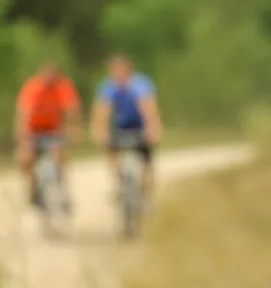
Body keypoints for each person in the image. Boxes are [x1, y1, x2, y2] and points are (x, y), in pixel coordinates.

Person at [91, 54, 163, 204]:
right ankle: (120, 183)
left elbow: (148, 108)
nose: (118, 75)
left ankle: (147, 195)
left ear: (128, 70)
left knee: (146, 161)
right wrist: (100, 131)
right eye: (114, 72)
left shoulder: (140, 84)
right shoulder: (108, 86)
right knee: (111, 150)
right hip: (120, 126)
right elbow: (102, 111)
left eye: (120, 71)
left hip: (140, 125)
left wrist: (152, 128)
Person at [15, 61, 82, 209]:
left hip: (54, 129)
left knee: (60, 155)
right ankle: (32, 190)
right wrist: (23, 140)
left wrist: (74, 129)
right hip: (33, 130)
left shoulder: (62, 87)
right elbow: (24, 113)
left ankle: (63, 190)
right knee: (27, 159)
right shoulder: (33, 87)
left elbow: (72, 109)